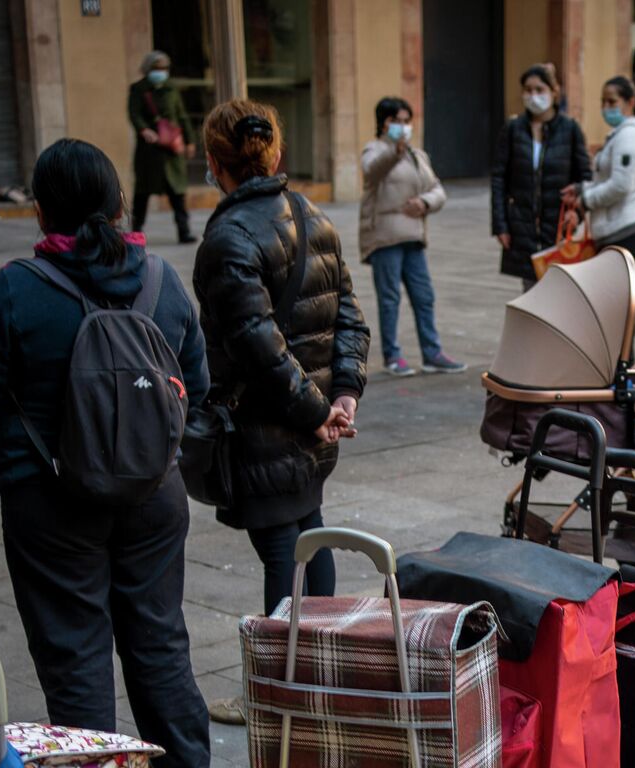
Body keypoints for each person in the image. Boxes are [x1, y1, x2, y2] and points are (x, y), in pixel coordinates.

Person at [0, 138, 212, 767]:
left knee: (76, 663)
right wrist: (149, 452)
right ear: (120, 203)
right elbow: (196, 391)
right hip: (154, 498)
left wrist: (18, 463)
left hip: (51, 503)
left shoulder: (18, 288)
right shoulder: (161, 280)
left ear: (42, 212)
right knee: (161, 649)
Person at [190, 100, 368, 724]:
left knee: (284, 554)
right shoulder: (312, 214)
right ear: (276, 153)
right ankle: (322, 675)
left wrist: (324, 407)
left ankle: (280, 696)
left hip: (271, 428)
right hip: (311, 426)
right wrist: (342, 397)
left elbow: (256, 347)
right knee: (307, 538)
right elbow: (350, 316)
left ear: (215, 163)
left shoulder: (228, 238)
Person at [359, 96, 463, 377]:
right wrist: (394, 150)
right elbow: (372, 171)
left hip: (413, 237)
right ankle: (393, 356)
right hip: (385, 238)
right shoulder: (375, 150)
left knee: (424, 295)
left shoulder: (417, 156)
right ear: (384, 123)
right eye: (396, 121)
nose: (403, 127)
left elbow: (437, 189)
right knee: (389, 298)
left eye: (407, 121)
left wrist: (425, 203)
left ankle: (432, 352)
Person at [492, 64, 591, 290]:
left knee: (561, 292)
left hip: (558, 225)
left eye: (539, 89)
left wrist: (578, 212)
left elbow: (584, 176)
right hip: (523, 225)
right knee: (531, 292)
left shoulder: (570, 129)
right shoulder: (513, 129)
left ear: (554, 92)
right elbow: (499, 178)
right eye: (528, 90)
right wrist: (501, 225)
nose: (533, 96)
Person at [563, 76, 635, 267]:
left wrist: (585, 201)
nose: (606, 107)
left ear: (630, 102)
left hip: (625, 231)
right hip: (611, 231)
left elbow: (620, 185)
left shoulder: (630, 137)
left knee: (615, 296)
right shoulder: (619, 134)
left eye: (612, 101)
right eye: (603, 102)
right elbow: (607, 178)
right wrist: (581, 188)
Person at [128, 50, 198, 244]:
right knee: (142, 192)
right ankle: (135, 230)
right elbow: (134, 113)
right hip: (149, 150)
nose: (160, 72)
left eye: (163, 68)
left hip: (171, 148)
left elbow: (181, 115)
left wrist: (190, 140)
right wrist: (143, 129)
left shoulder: (171, 89)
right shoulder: (138, 89)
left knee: (177, 192)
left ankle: (183, 231)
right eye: (156, 68)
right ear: (148, 69)